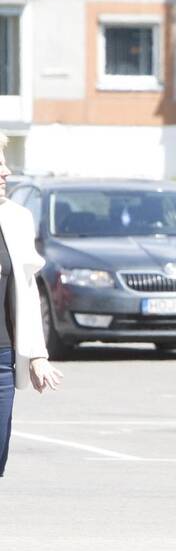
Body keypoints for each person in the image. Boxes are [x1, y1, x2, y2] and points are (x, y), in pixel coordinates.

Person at [0, 133, 63, 478]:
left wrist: (36, 355)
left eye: (5, 162)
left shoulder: (17, 219)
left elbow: (26, 290)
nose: (6, 172)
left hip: (2, 362)